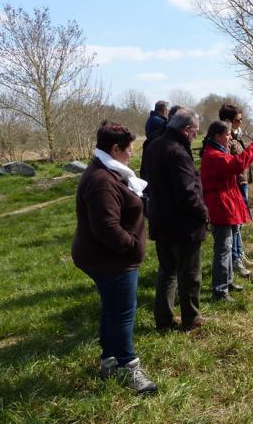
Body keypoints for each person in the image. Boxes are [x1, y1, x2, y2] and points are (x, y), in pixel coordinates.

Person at [71, 122, 156, 394]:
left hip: (107, 257)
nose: (132, 154)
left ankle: (108, 362)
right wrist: (132, 246)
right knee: (122, 314)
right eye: (129, 149)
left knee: (112, 309)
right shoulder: (102, 181)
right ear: (115, 148)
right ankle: (129, 367)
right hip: (112, 260)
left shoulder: (108, 171)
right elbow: (107, 228)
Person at [144, 108, 209, 331]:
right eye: (195, 132)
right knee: (190, 275)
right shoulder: (178, 152)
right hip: (183, 225)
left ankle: (164, 319)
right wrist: (203, 213)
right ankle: (191, 319)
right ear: (186, 129)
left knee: (167, 272)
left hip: (160, 220)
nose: (196, 136)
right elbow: (187, 193)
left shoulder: (154, 146)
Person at [200, 120, 253, 302]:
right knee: (223, 248)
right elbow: (237, 164)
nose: (230, 137)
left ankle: (227, 282)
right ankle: (220, 291)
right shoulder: (214, 155)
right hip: (220, 205)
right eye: (227, 135)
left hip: (225, 203)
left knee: (227, 247)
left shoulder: (218, 151)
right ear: (217, 136)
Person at [219, 104, 253, 278]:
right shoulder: (225, 140)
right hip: (237, 184)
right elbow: (235, 161)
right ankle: (235, 260)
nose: (241, 122)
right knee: (235, 225)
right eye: (237, 120)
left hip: (243, 181)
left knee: (239, 225)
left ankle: (240, 254)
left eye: (241, 119)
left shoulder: (235, 136)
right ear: (228, 121)